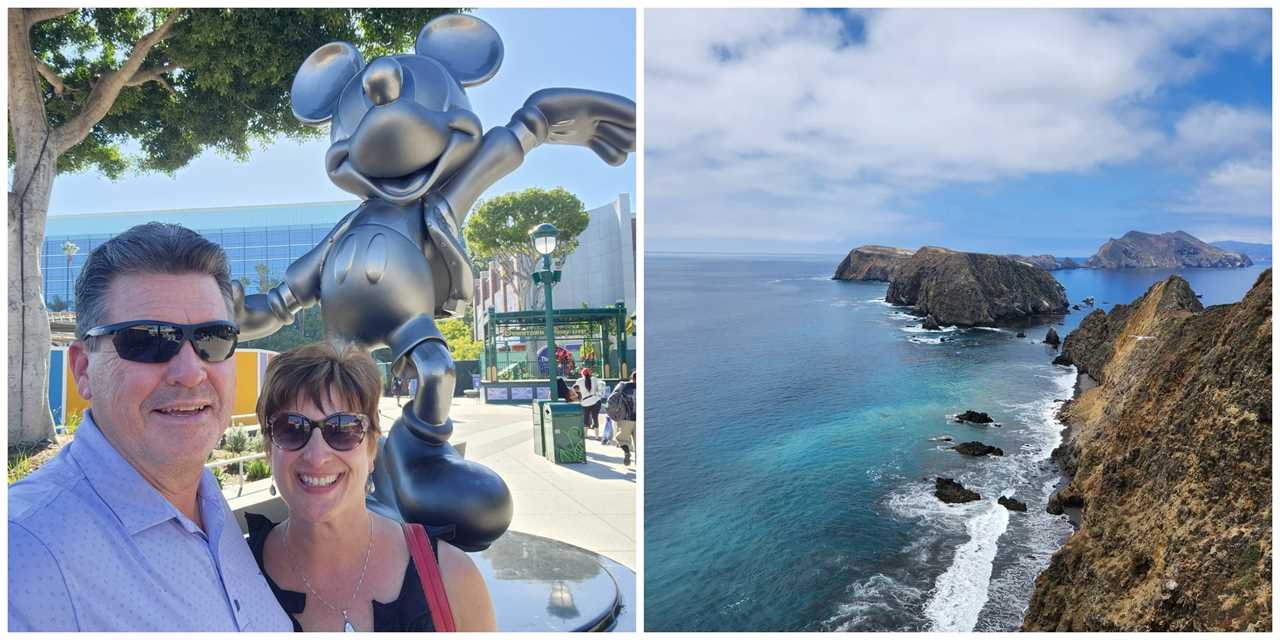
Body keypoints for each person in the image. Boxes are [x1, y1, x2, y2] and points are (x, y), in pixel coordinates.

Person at [7, 222, 292, 631]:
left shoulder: (207, 503)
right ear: (83, 369)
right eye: (151, 340)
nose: (191, 372)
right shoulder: (23, 556)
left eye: (213, 338)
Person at [247, 343, 496, 631]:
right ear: (269, 449)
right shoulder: (232, 577)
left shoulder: (452, 579)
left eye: (342, 429)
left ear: (371, 448)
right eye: (291, 428)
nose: (316, 456)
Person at [607, 371, 638, 466]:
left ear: (632, 377)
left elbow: (611, 400)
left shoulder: (623, 386)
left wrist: (615, 415)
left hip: (625, 419)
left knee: (622, 439)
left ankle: (627, 451)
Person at [571, 367, 606, 439]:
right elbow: (599, 389)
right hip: (595, 401)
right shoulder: (594, 379)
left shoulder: (579, 380)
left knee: (585, 419)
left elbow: (573, 390)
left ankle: (585, 435)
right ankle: (597, 436)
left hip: (585, 402)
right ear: (589, 373)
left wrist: (579, 396)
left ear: (582, 374)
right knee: (595, 418)